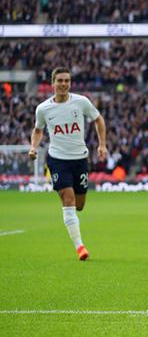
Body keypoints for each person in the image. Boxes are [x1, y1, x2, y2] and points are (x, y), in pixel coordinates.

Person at [28, 67, 108, 261]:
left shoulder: (81, 102)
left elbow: (98, 119)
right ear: (52, 83)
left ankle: (67, 201)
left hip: (80, 159)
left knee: (79, 205)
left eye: (67, 81)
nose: (64, 84)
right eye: (60, 80)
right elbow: (38, 130)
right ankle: (80, 247)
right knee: (69, 200)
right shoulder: (43, 108)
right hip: (57, 160)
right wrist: (33, 147)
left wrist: (102, 145)